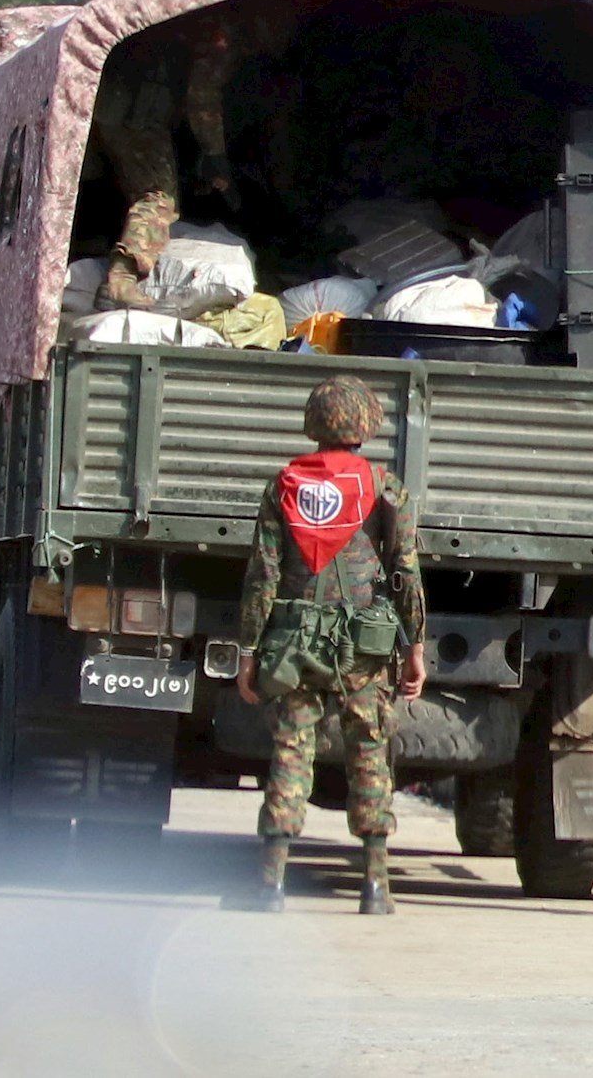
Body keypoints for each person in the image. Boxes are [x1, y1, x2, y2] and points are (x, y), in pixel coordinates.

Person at [226, 375, 428, 914]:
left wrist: (247, 651)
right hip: (364, 648)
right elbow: (405, 571)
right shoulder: (386, 487)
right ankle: (376, 888)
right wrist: (415, 647)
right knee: (370, 751)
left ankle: (270, 886)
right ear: (365, 424)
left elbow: (263, 577)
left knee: (291, 752)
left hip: (294, 644)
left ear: (314, 422)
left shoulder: (284, 484)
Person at [92, 6, 294, 310]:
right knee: (157, 199)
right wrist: (215, 155)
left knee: (135, 191)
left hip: (114, 109)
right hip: (137, 116)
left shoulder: (199, 25)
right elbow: (201, 98)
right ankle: (122, 280)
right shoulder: (221, 38)